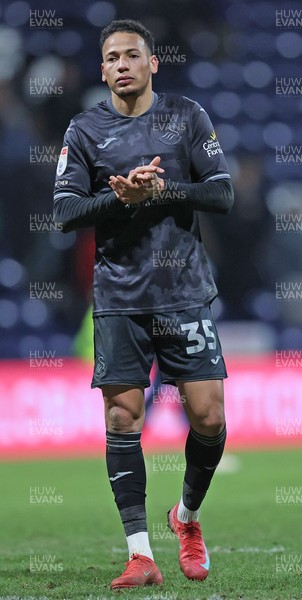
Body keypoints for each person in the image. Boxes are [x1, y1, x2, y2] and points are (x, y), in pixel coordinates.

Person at [53, 19, 234, 590]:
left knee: (209, 417)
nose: (123, 64)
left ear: (153, 63)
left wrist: (164, 190)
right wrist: (118, 196)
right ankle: (139, 554)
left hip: (184, 295)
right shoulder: (84, 130)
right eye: (112, 57)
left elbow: (223, 192)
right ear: (103, 69)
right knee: (121, 417)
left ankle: (185, 518)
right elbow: (63, 212)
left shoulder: (187, 117)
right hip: (119, 298)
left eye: (133, 55)